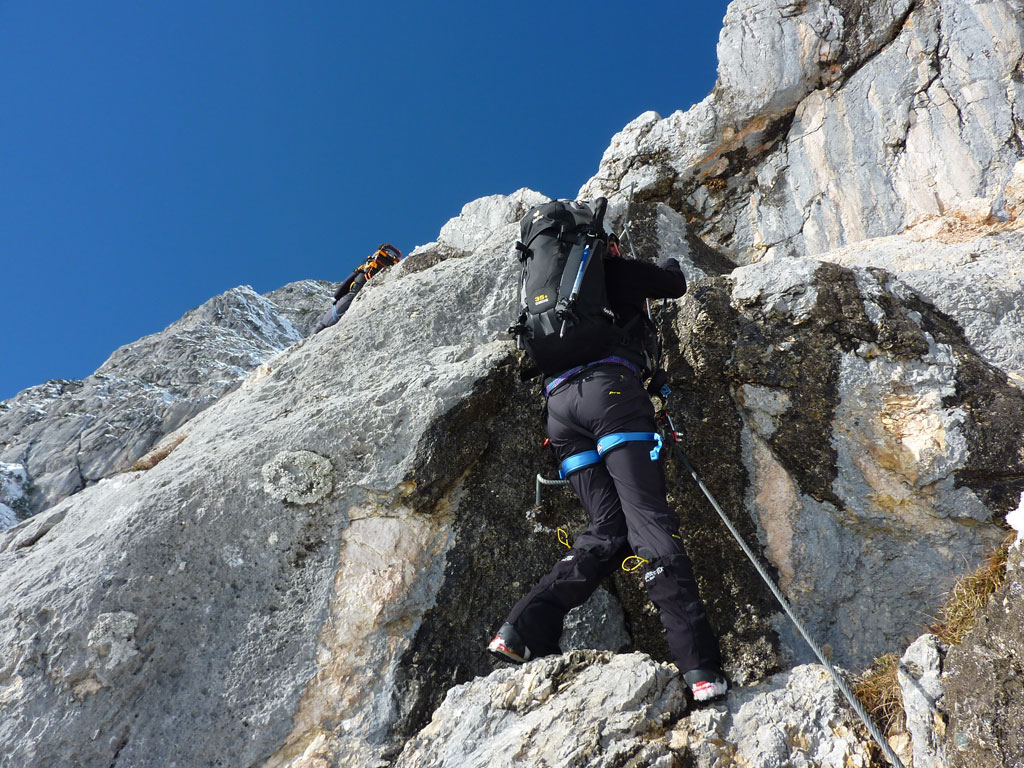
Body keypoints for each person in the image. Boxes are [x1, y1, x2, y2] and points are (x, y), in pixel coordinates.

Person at [488, 228, 728, 703]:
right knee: (648, 522)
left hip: (558, 410)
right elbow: (672, 284)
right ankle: (699, 668)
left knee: (608, 531)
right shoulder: (609, 269)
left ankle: (519, 629)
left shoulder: (549, 299)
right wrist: (670, 263)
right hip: (611, 395)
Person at [312, 243, 402, 334]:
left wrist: (337, 299)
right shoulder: (388, 268)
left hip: (350, 298)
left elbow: (341, 290)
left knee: (323, 325)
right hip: (369, 299)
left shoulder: (365, 265)